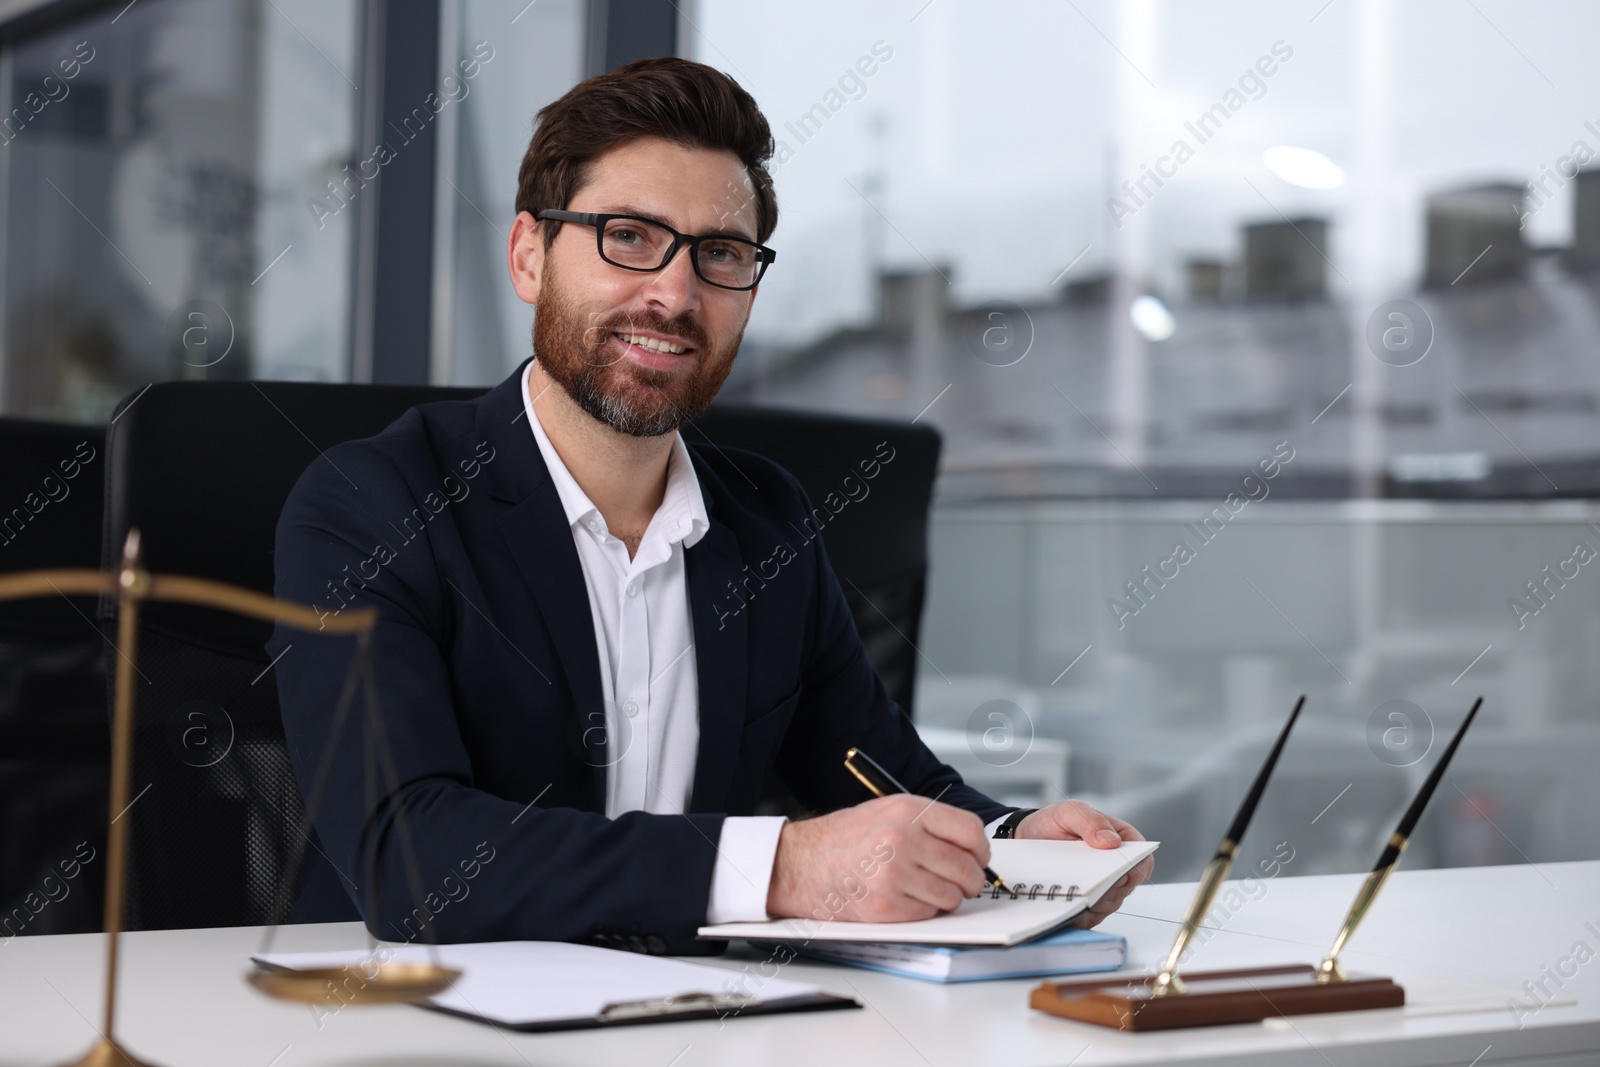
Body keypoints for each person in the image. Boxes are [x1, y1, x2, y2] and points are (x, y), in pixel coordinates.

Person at [269, 57, 1152, 955]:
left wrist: (1015, 847)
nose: (675, 293)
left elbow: (876, 777)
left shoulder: (766, 519)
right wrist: (778, 868)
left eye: (719, 254)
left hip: (686, 1023)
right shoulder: (374, 503)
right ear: (529, 255)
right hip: (405, 1022)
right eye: (628, 235)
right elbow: (407, 853)